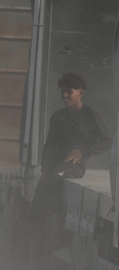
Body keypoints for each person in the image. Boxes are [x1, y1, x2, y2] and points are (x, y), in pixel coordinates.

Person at [30, 72, 112, 249]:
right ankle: (36, 253)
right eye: (62, 92)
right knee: (36, 204)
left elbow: (107, 141)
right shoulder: (58, 116)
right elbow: (50, 144)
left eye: (69, 91)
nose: (65, 95)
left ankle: (57, 232)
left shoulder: (92, 114)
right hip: (52, 166)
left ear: (81, 93)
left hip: (75, 165)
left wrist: (82, 151)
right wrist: (44, 167)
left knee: (57, 177)